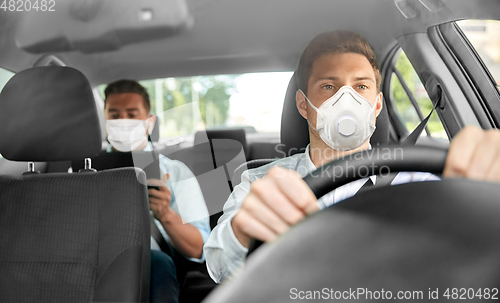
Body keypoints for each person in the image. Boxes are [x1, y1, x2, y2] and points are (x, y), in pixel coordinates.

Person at [203, 30, 500, 284]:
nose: (347, 100)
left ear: (377, 104)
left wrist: (482, 195)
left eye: (361, 87)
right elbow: (219, 267)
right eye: (329, 86)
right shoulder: (262, 184)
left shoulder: (419, 180)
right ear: (303, 105)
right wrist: (244, 229)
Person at [104, 80, 211, 302]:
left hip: (152, 264)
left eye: (132, 114)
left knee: (155, 262)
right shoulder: (82, 172)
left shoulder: (175, 173)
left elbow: (200, 249)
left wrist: (165, 215)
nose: (123, 122)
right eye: (114, 116)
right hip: (93, 258)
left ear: (149, 122)